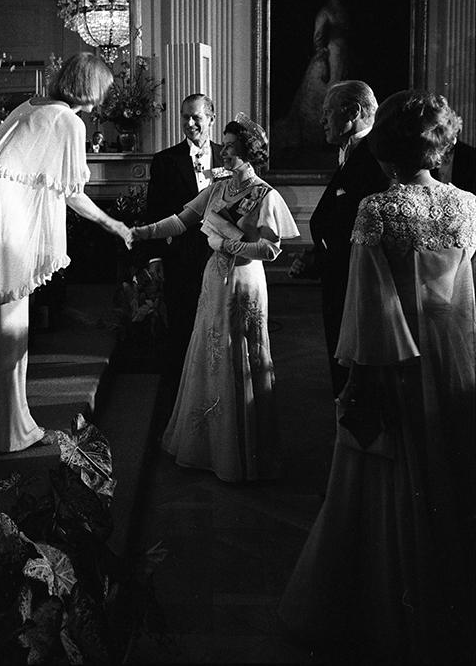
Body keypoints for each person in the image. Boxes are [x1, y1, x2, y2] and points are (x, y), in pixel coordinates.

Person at [278, 90, 476, 665]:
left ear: (386, 149)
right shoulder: (467, 204)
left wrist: (358, 383)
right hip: (456, 354)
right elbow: (465, 295)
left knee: (389, 470)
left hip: (394, 358)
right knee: (451, 466)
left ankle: (384, 605)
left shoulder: (379, 210)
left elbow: (369, 307)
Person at [0, 53, 132, 454]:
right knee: (8, 319)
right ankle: (6, 431)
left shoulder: (33, 104)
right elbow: (73, 194)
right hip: (4, 211)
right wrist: (114, 225)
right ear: (92, 87)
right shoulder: (69, 121)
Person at [133, 114, 299, 482]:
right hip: (214, 280)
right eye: (223, 145)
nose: (222, 153)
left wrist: (225, 243)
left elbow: (271, 250)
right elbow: (180, 221)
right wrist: (141, 232)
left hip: (243, 282)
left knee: (238, 354)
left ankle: (239, 452)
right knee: (209, 352)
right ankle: (208, 445)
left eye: (230, 148)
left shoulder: (264, 195)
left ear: (249, 152)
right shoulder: (218, 187)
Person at [289, 80, 388, 397]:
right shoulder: (353, 153)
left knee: (355, 374)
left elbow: (358, 231)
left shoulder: (375, 157)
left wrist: (321, 257)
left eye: (327, 112)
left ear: (354, 112)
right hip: (340, 280)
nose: (321, 120)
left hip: (356, 287)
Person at [144, 93, 223, 397]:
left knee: (217, 320)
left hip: (220, 255)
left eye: (196, 117)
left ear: (211, 119)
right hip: (181, 257)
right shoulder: (165, 161)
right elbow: (155, 212)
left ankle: (215, 383)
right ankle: (181, 392)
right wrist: (154, 258)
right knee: (182, 324)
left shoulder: (227, 158)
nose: (189, 123)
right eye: (184, 117)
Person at [272, 0, 353, 159]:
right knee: (327, 96)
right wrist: (323, 59)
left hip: (343, 55)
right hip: (331, 55)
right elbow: (318, 37)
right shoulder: (325, 12)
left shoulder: (344, 11)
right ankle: (321, 138)